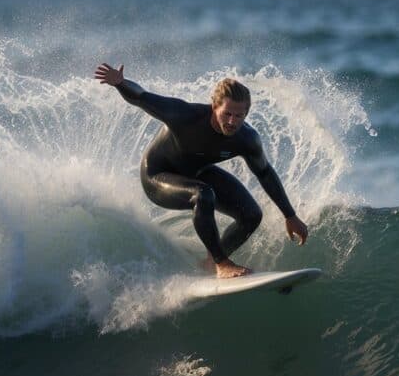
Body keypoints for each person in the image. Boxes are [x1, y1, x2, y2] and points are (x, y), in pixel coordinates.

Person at [94, 63, 308, 278]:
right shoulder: (185, 115)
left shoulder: (247, 139)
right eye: (227, 114)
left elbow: (264, 173)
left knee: (251, 215)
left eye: (239, 116)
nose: (232, 122)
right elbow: (141, 97)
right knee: (203, 194)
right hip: (157, 176)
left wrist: (290, 215)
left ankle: (210, 262)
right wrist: (121, 83)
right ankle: (222, 263)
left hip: (197, 172)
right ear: (214, 106)